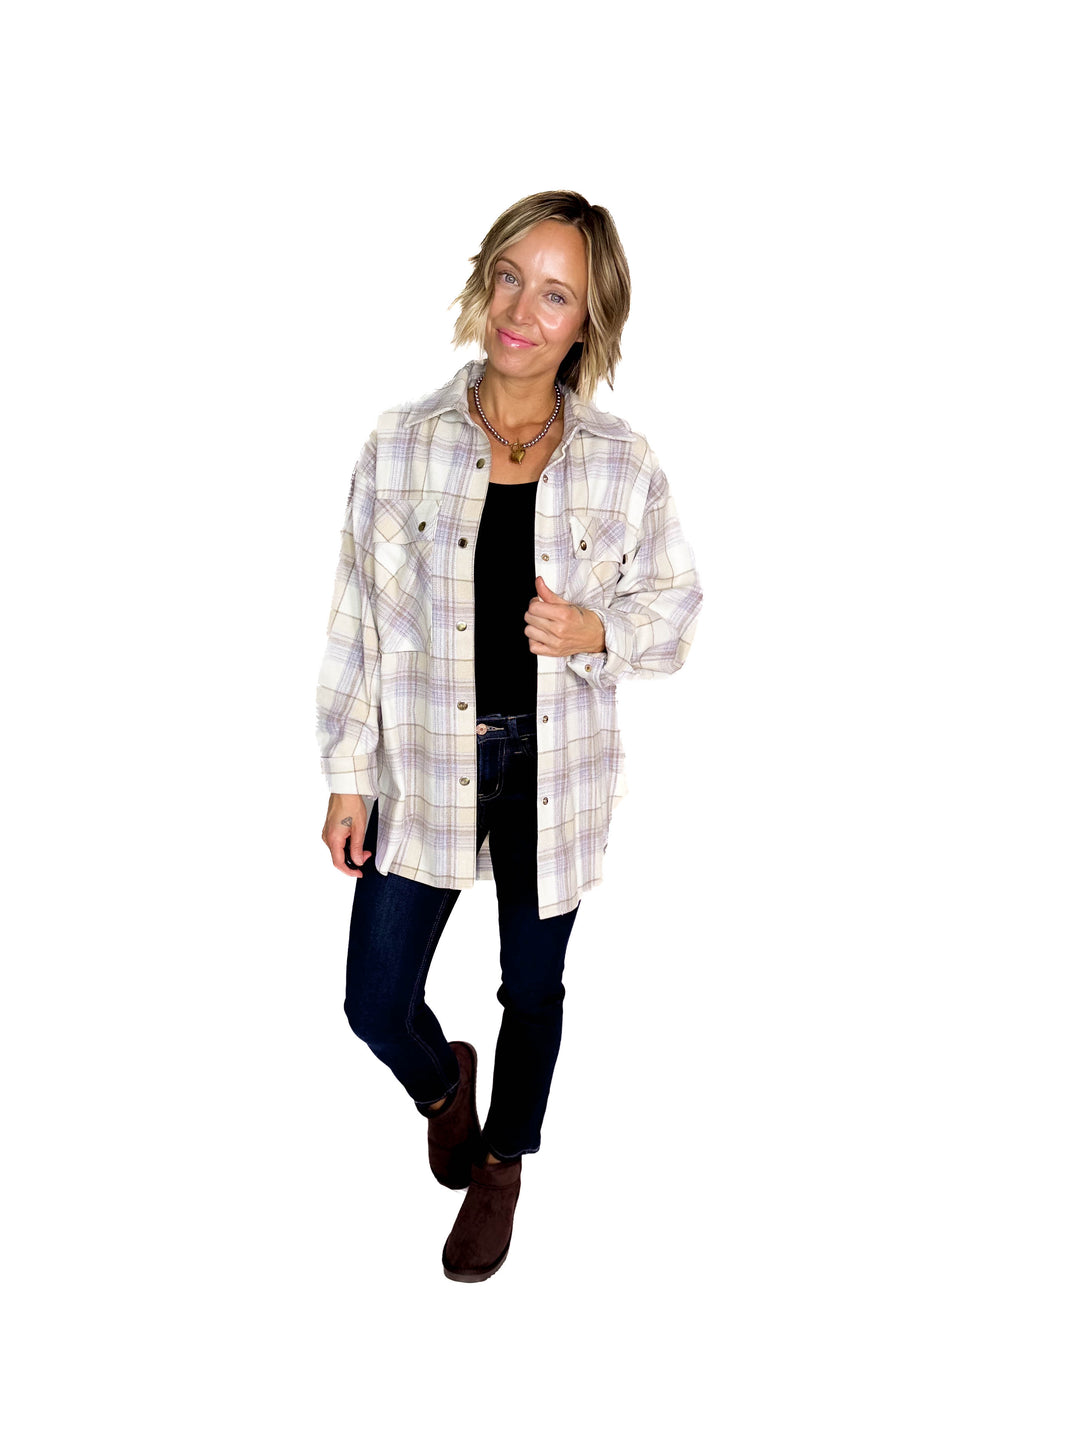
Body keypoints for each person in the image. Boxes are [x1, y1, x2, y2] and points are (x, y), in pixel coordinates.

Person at [315, 190, 703, 1282]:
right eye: (509, 278)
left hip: (554, 770)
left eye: (556, 295)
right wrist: (347, 774)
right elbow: (356, 620)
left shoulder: (621, 462)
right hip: (425, 765)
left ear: (589, 322)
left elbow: (675, 613)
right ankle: (445, 1086)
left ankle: (502, 1163)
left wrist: (594, 631)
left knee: (532, 989)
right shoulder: (401, 443)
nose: (522, 312)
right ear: (484, 279)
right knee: (372, 1000)